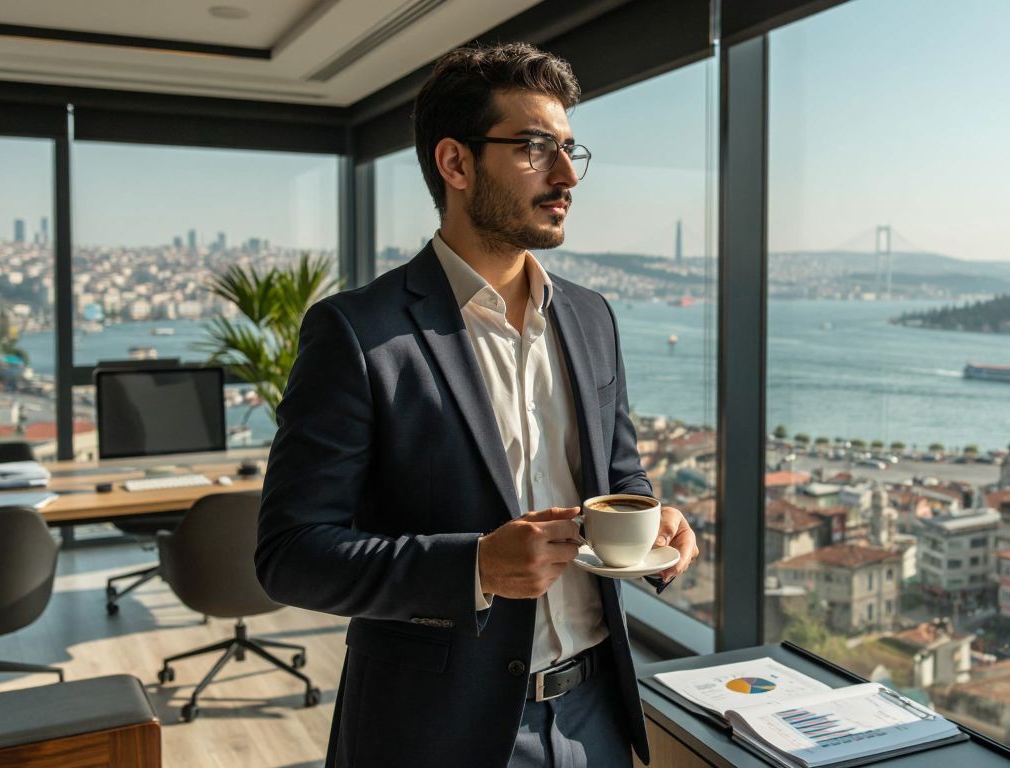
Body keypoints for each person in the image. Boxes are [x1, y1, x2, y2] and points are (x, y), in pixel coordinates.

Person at [255, 42, 699, 767]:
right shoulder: (358, 334)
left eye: (568, 150)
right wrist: (477, 568)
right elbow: (290, 555)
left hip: (595, 719)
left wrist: (657, 524)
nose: (564, 177)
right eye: (533, 148)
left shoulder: (591, 318)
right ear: (456, 164)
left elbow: (623, 480)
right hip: (435, 732)